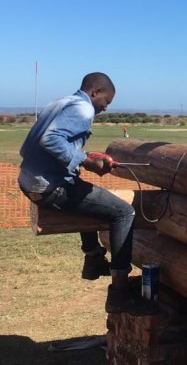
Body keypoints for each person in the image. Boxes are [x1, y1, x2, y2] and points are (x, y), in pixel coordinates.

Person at [18, 72, 156, 315]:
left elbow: (28, 146)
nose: (105, 107)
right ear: (95, 92)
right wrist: (85, 160)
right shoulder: (83, 109)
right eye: (107, 101)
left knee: (91, 197)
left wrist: (86, 156)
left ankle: (93, 259)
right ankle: (119, 294)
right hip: (50, 187)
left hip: (29, 181)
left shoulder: (59, 103)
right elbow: (50, 140)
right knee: (124, 212)